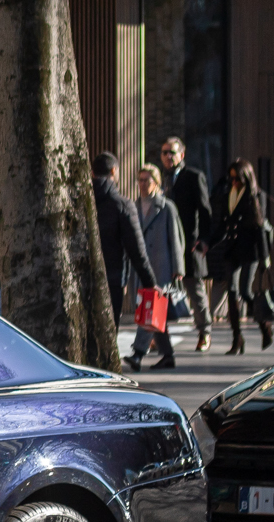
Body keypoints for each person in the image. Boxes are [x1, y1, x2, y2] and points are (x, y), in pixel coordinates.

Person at [208, 159, 273, 354]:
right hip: (232, 249)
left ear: (246, 178)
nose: (233, 182)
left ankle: (265, 325)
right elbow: (222, 225)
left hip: (250, 249)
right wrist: (207, 244)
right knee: (233, 292)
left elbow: (260, 227)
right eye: (231, 178)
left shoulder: (256, 195)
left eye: (237, 179)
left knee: (245, 292)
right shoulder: (230, 193)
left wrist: (265, 257)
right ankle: (237, 338)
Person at [91, 154, 157, 344]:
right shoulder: (121, 204)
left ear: (93, 173)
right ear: (114, 171)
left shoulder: (78, 202)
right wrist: (149, 282)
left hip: (80, 278)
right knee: (108, 332)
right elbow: (136, 249)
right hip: (112, 278)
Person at [156, 137, 212, 351]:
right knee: (161, 291)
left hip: (189, 244)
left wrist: (204, 240)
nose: (168, 156)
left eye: (172, 152)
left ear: (182, 154)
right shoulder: (161, 179)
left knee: (194, 290)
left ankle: (204, 331)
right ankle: (158, 337)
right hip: (165, 245)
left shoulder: (194, 177)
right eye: (164, 152)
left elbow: (205, 211)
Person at [129, 164, 183, 370]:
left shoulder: (167, 207)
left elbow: (176, 239)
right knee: (155, 313)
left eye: (147, 180)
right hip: (140, 269)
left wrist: (178, 269)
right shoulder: (133, 206)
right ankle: (168, 355)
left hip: (161, 268)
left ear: (156, 182)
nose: (143, 184)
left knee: (150, 311)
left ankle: (137, 354)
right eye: (140, 180)